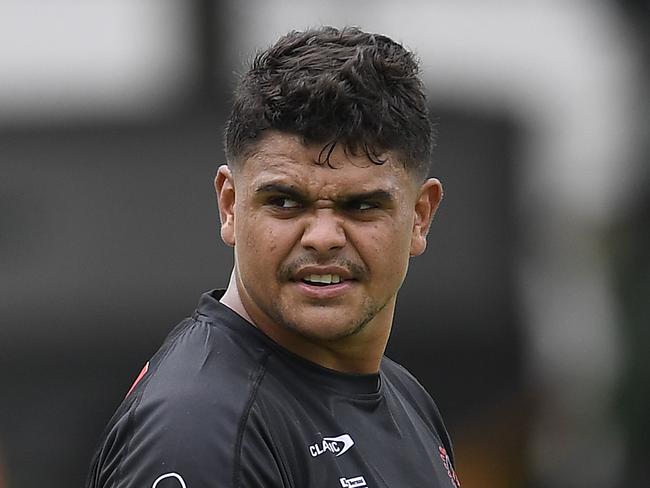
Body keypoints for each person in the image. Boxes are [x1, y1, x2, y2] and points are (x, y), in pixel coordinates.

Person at [86, 26, 460, 488]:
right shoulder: (201, 430)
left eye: (361, 206)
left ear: (420, 216)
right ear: (229, 206)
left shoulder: (407, 397)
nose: (322, 237)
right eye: (285, 202)